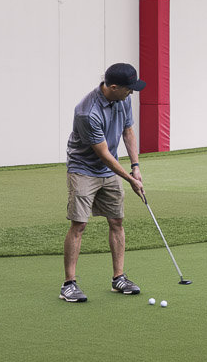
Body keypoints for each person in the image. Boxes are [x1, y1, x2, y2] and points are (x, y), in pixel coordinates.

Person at [59, 63, 148, 304]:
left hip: (109, 168)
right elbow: (104, 155)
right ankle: (69, 284)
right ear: (113, 86)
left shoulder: (123, 99)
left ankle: (118, 278)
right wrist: (128, 179)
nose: (132, 92)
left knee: (116, 220)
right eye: (128, 89)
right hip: (83, 168)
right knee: (79, 224)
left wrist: (135, 167)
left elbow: (128, 132)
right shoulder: (87, 112)